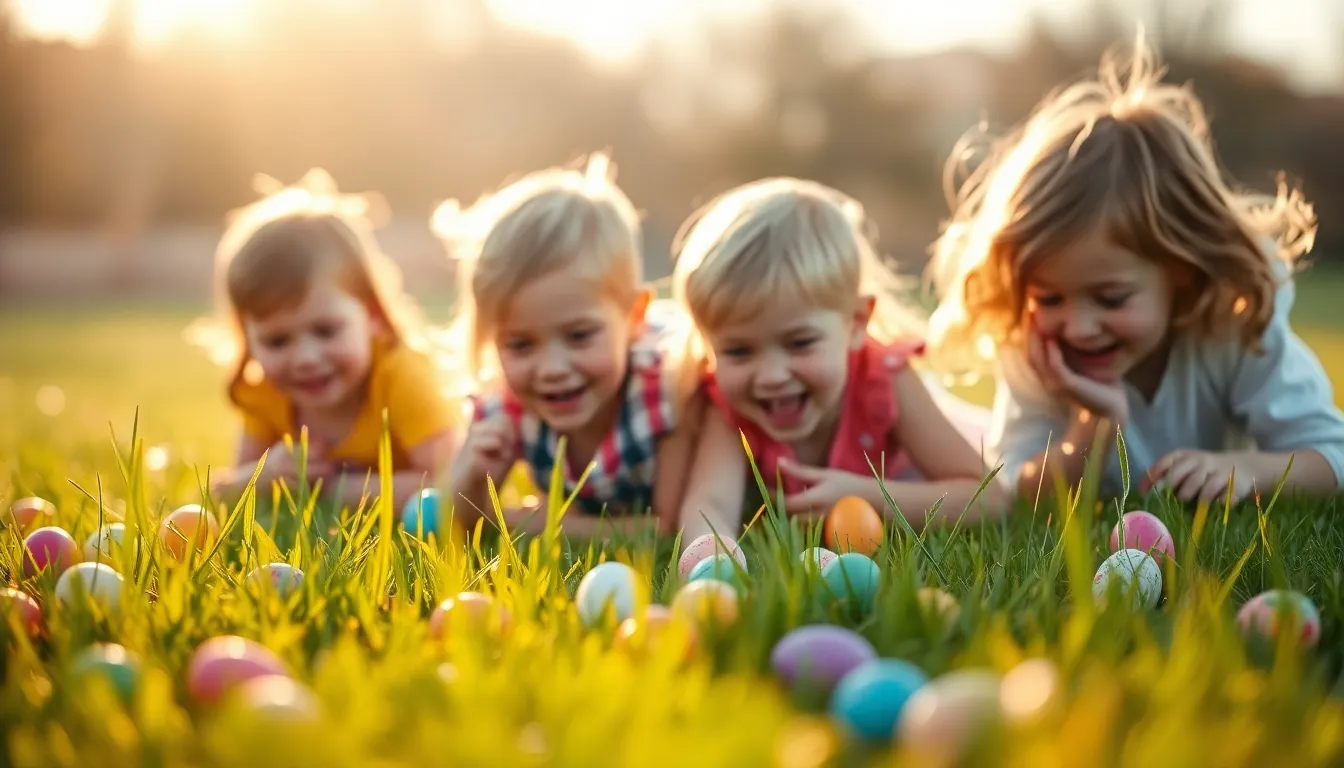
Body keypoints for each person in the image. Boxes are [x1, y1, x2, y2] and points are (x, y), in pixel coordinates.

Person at [925, 36, 1344, 504]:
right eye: (1049, 297)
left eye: (1111, 298)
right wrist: (1093, 425)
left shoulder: (1236, 328)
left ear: (1180, 269)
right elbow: (1019, 495)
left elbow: (1332, 458)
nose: (1079, 327)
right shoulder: (1036, 349)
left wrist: (1248, 471)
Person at [671, 177, 1007, 543]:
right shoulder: (728, 408)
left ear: (856, 322)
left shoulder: (885, 380)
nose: (770, 375)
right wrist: (712, 558)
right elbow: (709, 505)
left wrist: (868, 497)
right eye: (738, 351)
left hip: (919, 480)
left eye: (799, 343)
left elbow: (990, 499)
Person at [433, 153, 700, 537]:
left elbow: (663, 528)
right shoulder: (506, 407)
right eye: (520, 345)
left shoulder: (670, 392)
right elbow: (454, 521)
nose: (553, 368)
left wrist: (529, 521)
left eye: (579, 336)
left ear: (634, 317)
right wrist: (469, 476)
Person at [190, 169, 457, 510]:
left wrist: (330, 490)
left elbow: (453, 485)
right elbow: (221, 495)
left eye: (326, 331)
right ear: (248, 339)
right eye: (276, 341)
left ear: (372, 314)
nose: (305, 358)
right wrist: (265, 475)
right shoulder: (263, 392)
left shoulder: (401, 377)